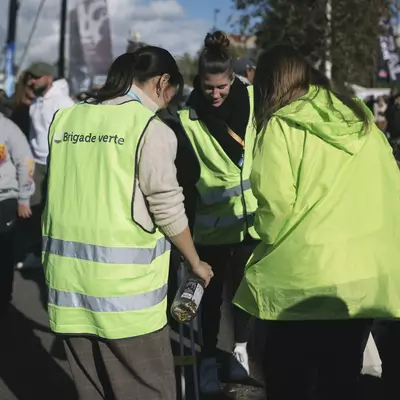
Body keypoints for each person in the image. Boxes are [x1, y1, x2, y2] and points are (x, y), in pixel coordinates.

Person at [42, 47, 213, 400]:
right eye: (171, 94)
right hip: (126, 299)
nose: (169, 103)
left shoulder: (65, 119)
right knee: (147, 391)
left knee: (92, 391)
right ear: (163, 82)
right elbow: (166, 206)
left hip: (67, 288)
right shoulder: (150, 128)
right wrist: (196, 262)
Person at [233, 45, 400, 400]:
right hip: (363, 280)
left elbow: (275, 211)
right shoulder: (362, 122)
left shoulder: (280, 125)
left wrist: (258, 238)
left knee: (288, 382)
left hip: (301, 282)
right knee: (341, 381)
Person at [178, 31, 259, 394]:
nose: (216, 94)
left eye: (222, 86)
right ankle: (207, 356)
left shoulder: (255, 100)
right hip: (210, 227)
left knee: (245, 294)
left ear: (234, 79)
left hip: (251, 222)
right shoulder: (187, 118)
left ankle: (240, 350)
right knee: (210, 301)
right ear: (199, 82)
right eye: (209, 87)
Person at [17, 62, 74, 269]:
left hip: (58, 165)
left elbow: (71, 135)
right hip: (37, 165)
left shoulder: (63, 102)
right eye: (31, 77)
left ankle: (56, 256)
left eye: (37, 77)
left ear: (49, 77)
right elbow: (34, 137)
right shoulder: (36, 102)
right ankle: (35, 253)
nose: (32, 81)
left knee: (56, 212)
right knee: (33, 211)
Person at [0, 112, 35, 318]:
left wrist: (23, 198)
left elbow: (26, 162)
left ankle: (4, 298)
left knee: (3, 254)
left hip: (6, 199)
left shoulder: (8, 129)